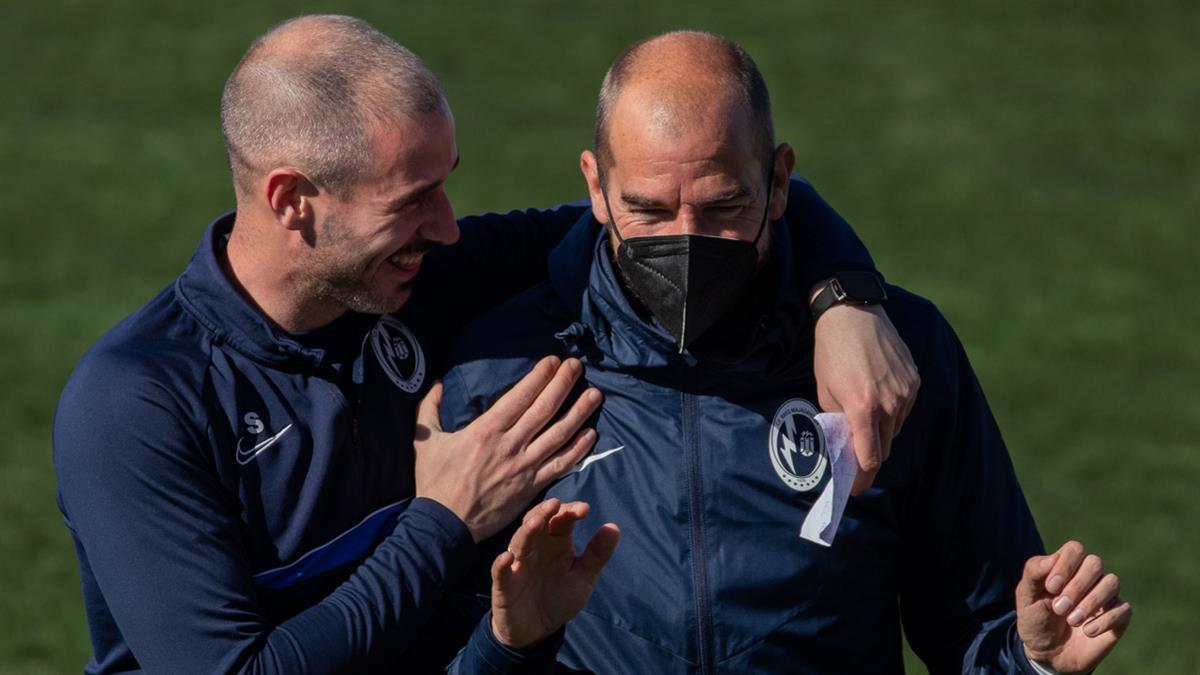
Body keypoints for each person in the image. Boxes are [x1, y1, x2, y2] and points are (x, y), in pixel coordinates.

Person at [52, 16, 917, 674]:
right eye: (412, 198)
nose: (449, 226)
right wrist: (444, 519)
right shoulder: (136, 405)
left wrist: (844, 298)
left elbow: (682, 202)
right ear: (292, 200)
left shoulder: (416, 275)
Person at [439, 31, 1132, 674]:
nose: (687, 243)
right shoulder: (496, 373)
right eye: (649, 209)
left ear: (779, 182)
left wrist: (1033, 659)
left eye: (721, 207)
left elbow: (975, 623)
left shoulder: (899, 359)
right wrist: (508, 645)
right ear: (594, 185)